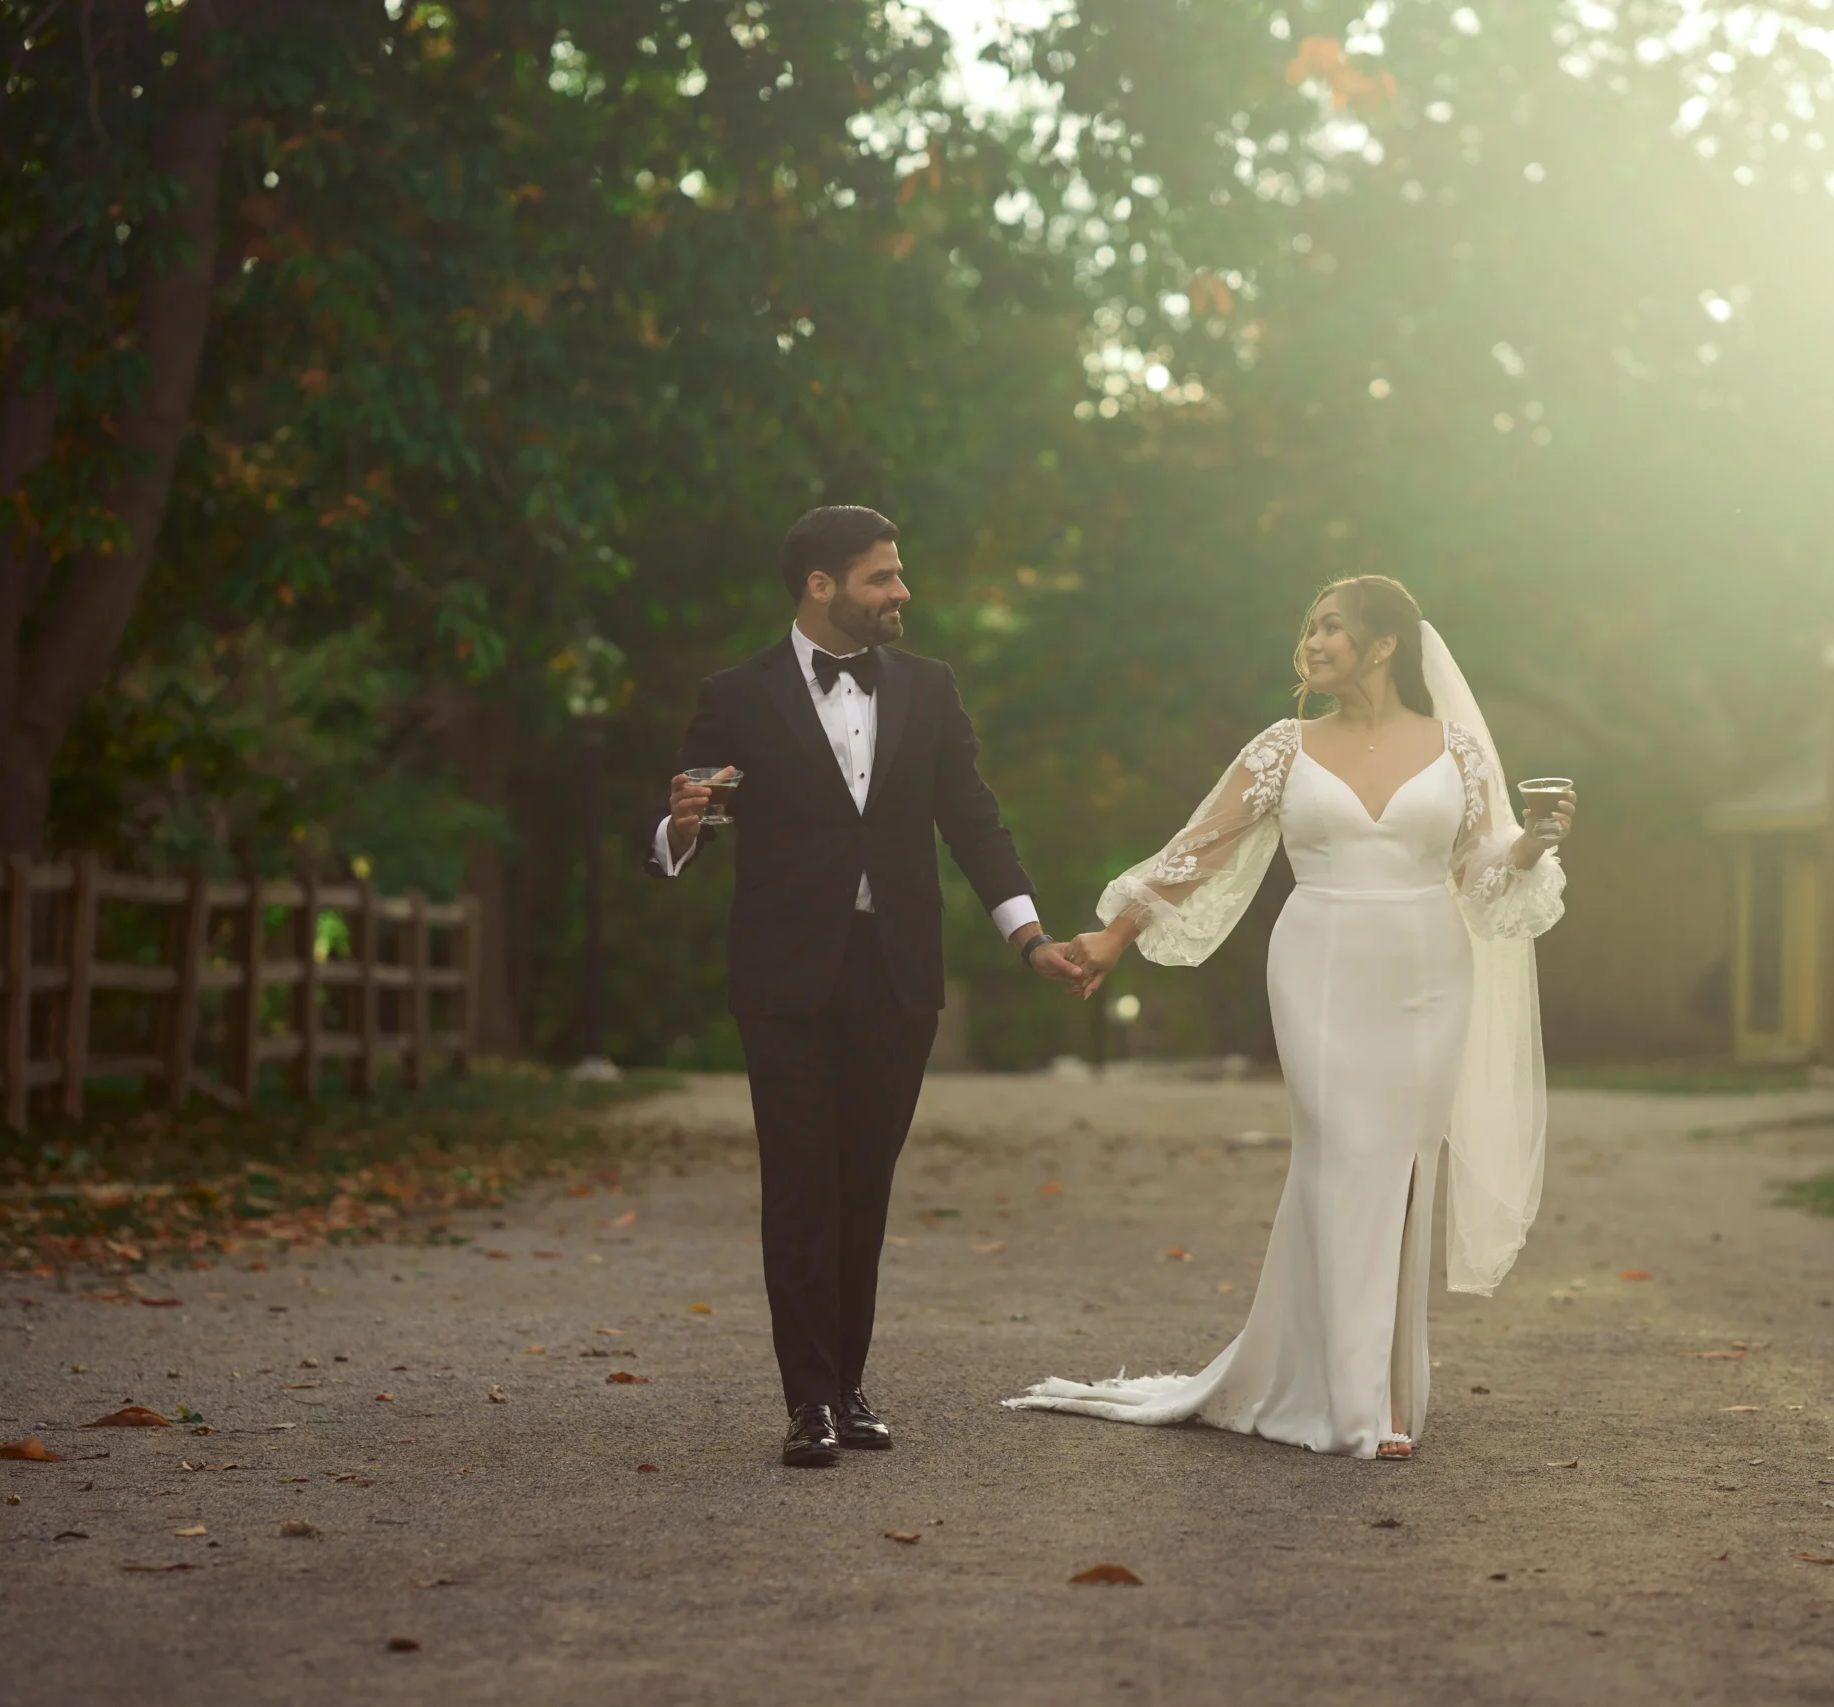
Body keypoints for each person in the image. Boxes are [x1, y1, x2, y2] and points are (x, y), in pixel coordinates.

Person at [1011, 575, 1574, 1461]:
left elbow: (1484, 867)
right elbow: (1200, 845)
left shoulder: (1458, 750)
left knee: (1405, 1167)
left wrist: (1536, 842)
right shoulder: (1284, 746)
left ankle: (1381, 1391)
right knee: (1345, 1152)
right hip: (1319, 964)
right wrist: (1117, 932)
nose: (1311, 644)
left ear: (1384, 646)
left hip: (1431, 968)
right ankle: (1350, 1400)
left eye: (1331, 629)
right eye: (1310, 630)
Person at [648, 506, 1084, 1467]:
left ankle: (847, 1385)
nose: (901, 592)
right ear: (821, 586)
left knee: (864, 1186)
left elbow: (974, 821)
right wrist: (681, 826)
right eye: (882, 577)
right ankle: (807, 1403)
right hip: (786, 977)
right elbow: (688, 821)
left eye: (898, 575)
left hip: (897, 976)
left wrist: (1029, 937)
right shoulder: (736, 694)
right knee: (801, 1184)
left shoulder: (930, 689)